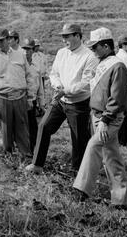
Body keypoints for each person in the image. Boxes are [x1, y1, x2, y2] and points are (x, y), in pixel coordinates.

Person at [26, 23, 98, 175]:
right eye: (63, 37)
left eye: (67, 37)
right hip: (60, 100)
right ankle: (37, 164)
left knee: (79, 138)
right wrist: (58, 86)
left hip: (79, 103)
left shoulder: (89, 56)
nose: (64, 40)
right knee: (44, 126)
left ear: (77, 36)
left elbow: (86, 83)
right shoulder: (61, 53)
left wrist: (66, 91)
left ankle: (78, 172)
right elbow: (54, 73)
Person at [73, 27, 127, 210]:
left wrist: (105, 121)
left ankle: (81, 190)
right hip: (98, 116)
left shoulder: (118, 66)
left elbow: (117, 98)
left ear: (106, 46)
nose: (93, 51)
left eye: (95, 47)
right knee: (111, 157)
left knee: (93, 146)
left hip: (109, 118)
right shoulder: (103, 63)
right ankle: (121, 201)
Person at [0, 27, 33, 157]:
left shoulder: (20, 55)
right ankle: (9, 157)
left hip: (20, 97)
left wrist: (30, 98)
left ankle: (25, 156)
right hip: (3, 99)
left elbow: (29, 76)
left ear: (8, 39)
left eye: (1, 40)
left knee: (22, 129)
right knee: (6, 131)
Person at [21, 37, 44, 152]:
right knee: (21, 126)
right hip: (20, 99)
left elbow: (40, 86)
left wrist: (41, 103)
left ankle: (33, 149)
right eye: (24, 49)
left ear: (33, 50)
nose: (26, 52)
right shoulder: (18, 64)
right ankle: (22, 149)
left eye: (29, 49)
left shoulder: (36, 65)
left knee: (32, 126)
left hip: (32, 100)